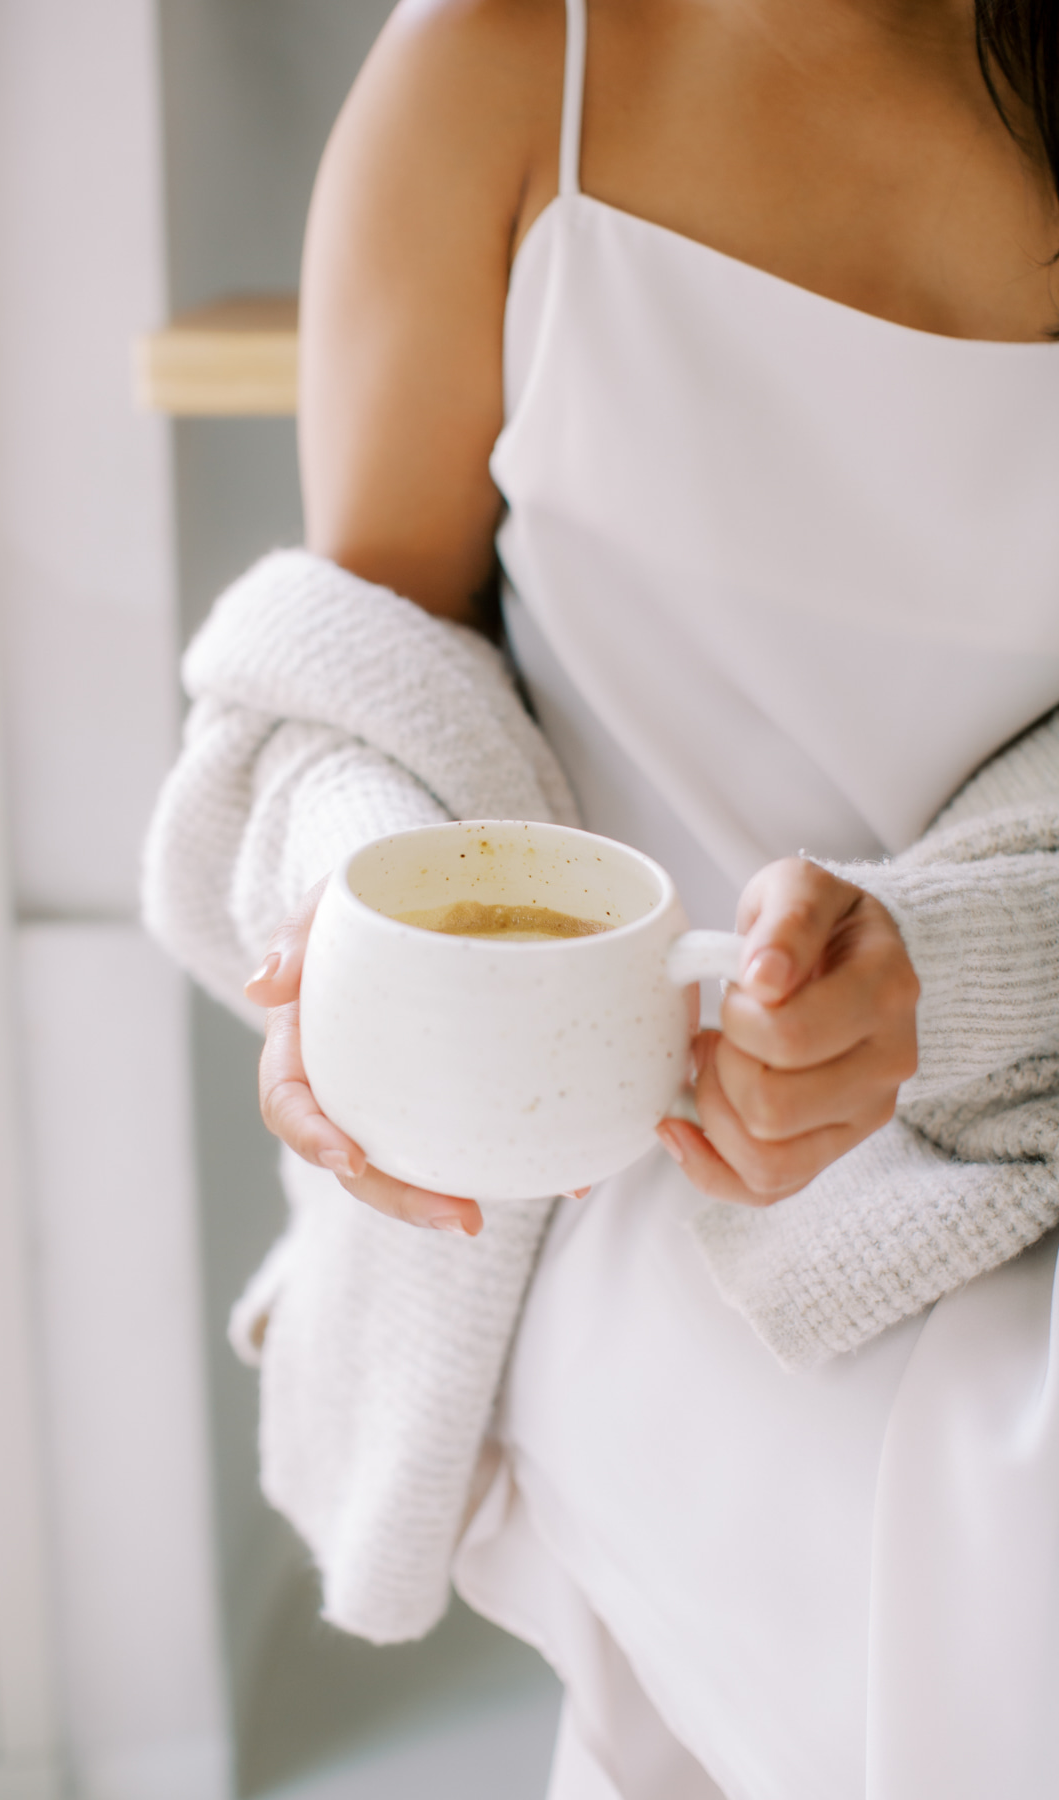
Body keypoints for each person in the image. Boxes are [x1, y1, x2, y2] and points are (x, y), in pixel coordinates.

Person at [147, 1, 1059, 1794]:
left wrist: (948, 976)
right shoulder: (499, 71)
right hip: (625, 1164)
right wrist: (371, 943)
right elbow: (355, 690)